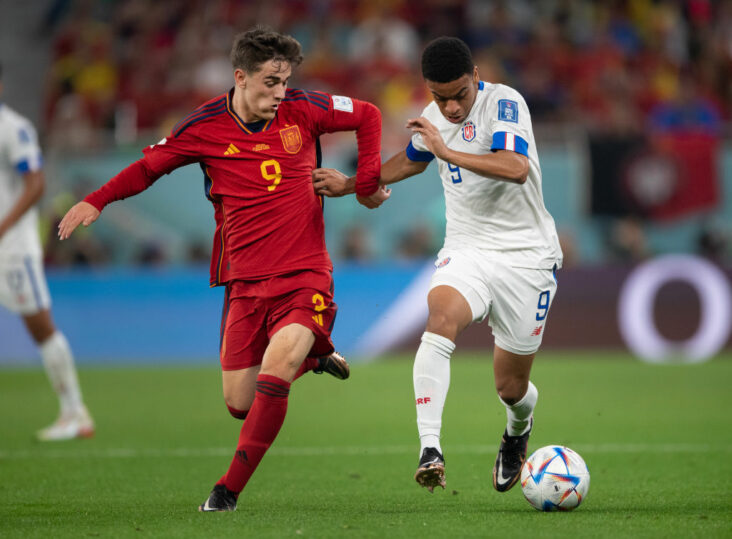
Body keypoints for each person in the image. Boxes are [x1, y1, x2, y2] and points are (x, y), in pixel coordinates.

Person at [58, 27, 389, 511]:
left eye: (284, 81)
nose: (280, 93)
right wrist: (97, 200)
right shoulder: (204, 126)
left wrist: (366, 183)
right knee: (240, 403)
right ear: (240, 77)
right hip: (245, 283)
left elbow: (369, 114)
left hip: (305, 275)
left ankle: (226, 491)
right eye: (270, 82)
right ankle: (313, 360)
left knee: (274, 375)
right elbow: (149, 167)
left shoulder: (303, 109)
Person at [313, 36, 562, 493]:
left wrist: (445, 152)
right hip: (467, 248)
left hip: (527, 257)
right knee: (440, 319)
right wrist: (350, 184)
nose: (449, 108)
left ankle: (517, 428)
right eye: (439, 97)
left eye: (459, 95)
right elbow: (410, 162)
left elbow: (514, 167)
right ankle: (431, 449)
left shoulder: (504, 103)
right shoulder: (432, 119)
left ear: (476, 80)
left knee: (510, 387)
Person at [0, 63, 95, 441]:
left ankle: (76, 413)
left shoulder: (13, 127)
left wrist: (3, 228)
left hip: (11, 249)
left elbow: (36, 184)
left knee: (39, 326)